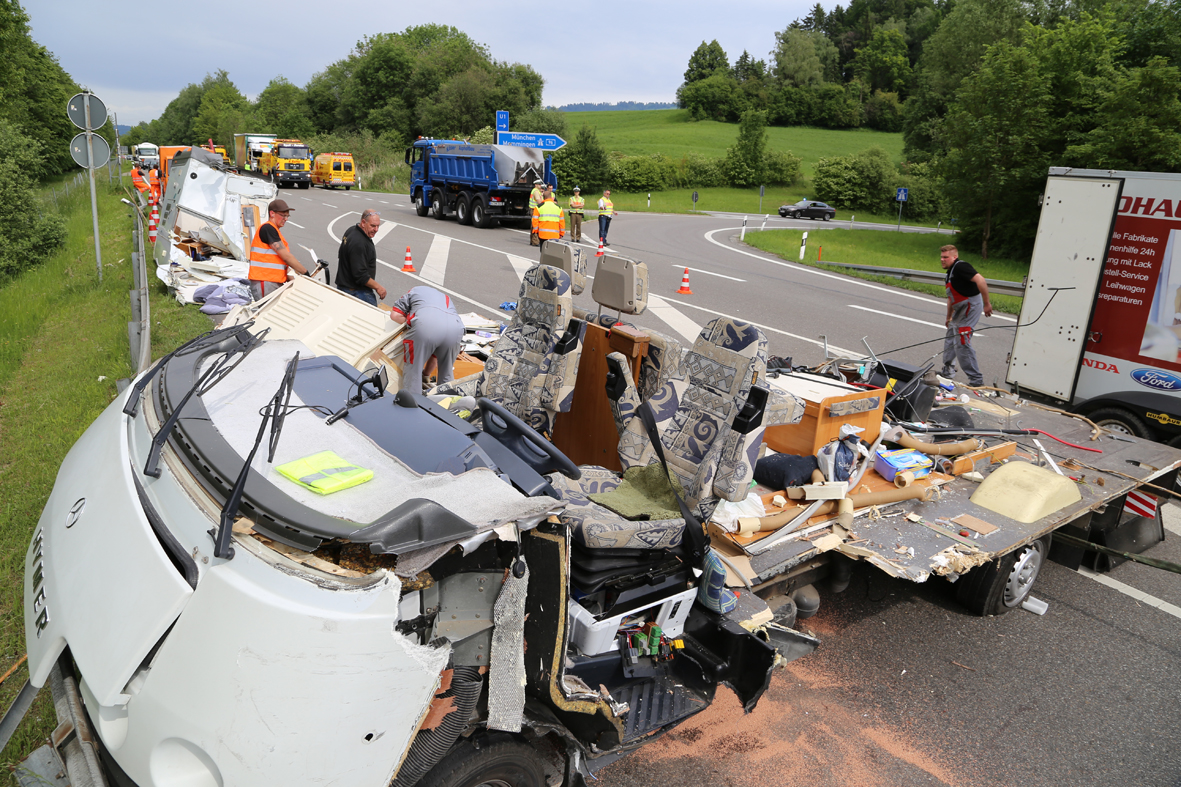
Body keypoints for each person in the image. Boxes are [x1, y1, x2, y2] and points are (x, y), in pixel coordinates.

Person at [389, 286, 465, 393]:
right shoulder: (445, 298)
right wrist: (425, 375)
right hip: (455, 329)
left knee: (413, 371)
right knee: (446, 373)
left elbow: (395, 315)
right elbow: (435, 353)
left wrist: (412, 324)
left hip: (426, 324)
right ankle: (447, 403)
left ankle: (412, 404)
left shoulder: (413, 291)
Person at [940, 244, 992, 387]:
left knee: (962, 340)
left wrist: (987, 303)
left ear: (954, 257)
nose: (942, 260)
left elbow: (980, 280)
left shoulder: (961, 267)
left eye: (946, 257)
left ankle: (976, 379)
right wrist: (948, 317)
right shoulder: (950, 273)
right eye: (941, 257)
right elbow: (951, 298)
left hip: (971, 305)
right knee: (951, 334)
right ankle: (947, 372)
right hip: (961, 307)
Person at [248, 199, 309, 301]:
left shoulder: (274, 231)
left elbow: (282, 262)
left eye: (287, 216)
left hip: (270, 282)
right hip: (265, 281)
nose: (286, 219)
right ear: (272, 213)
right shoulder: (268, 229)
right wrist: (305, 273)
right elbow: (286, 257)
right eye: (283, 215)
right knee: (267, 314)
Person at [336, 209, 387, 306]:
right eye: (373, 226)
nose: (376, 230)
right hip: (357, 292)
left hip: (344, 287)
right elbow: (360, 275)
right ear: (363, 223)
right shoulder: (359, 243)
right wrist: (378, 287)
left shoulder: (351, 230)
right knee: (372, 319)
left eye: (378, 226)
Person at [533, 188, 565, 259]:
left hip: (542, 235)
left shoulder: (538, 207)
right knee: (553, 253)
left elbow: (535, 221)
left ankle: (544, 266)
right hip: (555, 235)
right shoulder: (559, 208)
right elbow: (562, 222)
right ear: (551, 197)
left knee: (543, 252)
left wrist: (535, 231)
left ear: (543, 197)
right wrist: (562, 233)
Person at [528, 179, 545, 246]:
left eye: (540, 184)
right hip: (535, 210)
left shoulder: (535, 190)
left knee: (533, 225)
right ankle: (535, 241)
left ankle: (532, 240)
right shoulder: (536, 191)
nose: (540, 186)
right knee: (535, 225)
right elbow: (539, 202)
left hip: (533, 209)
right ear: (536, 185)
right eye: (539, 184)